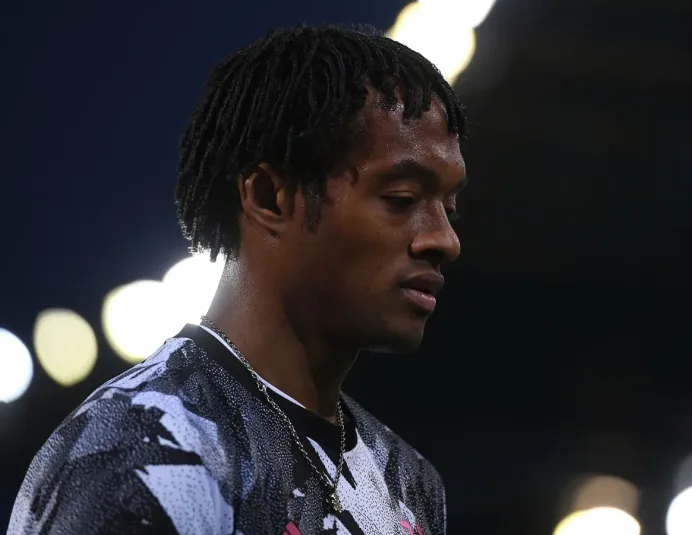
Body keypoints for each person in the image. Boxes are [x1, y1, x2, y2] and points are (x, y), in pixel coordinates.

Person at [9, 24, 467, 535]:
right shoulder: (142, 450)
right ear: (270, 197)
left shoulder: (409, 482)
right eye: (402, 199)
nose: (445, 240)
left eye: (449, 208)